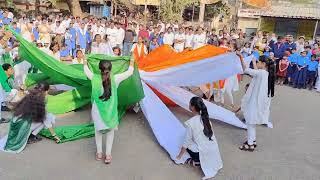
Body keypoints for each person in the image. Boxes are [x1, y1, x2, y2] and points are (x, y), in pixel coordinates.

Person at [83, 56, 135, 163]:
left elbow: (86, 70)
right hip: (110, 111)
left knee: (98, 131)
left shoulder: (93, 77)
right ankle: (108, 155)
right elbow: (130, 72)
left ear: (99, 69)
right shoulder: (116, 78)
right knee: (110, 131)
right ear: (110, 69)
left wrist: (85, 62)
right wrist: (132, 62)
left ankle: (99, 153)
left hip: (97, 110)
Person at [0, 82, 60, 153]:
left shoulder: (29, 95)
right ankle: (31, 136)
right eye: (48, 91)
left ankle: (30, 134)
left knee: (45, 116)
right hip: (23, 125)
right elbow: (46, 120)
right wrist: (54, 135)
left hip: (15, 123)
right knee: (49, 117)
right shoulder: (41, 100)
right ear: (46, 91)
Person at [176, 97, 223, 180]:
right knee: (196, 141)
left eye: (190, 104)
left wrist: (179, 157)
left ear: (193, 107)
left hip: (202, 152)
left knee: (185, 142)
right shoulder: (206, 118)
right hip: (213, 151)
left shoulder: (191, 123)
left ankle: (196, 161)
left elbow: (186, 143)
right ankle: (199, 160)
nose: (189, 105)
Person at [239, 55, 271, 151]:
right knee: (252, 123)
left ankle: (250, 144)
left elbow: (246, 69)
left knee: (250, 123)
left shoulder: (261, 73)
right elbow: (256, 72)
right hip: (258, 102)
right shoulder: (265, 73)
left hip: (254, 101)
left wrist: (240, 57)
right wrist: (253, 62)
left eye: (258, 62)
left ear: (263, 64)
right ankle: (252, 141)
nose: (257, 63)